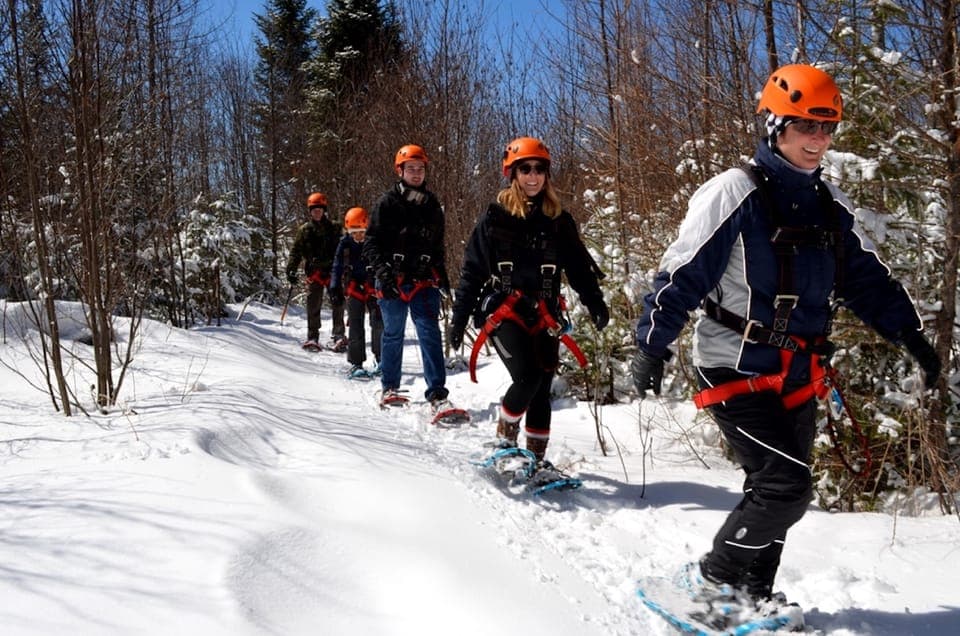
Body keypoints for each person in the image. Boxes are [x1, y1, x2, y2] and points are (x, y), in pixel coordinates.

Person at [630, 64, 942, 630]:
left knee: (773, 485)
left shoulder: (827, 204)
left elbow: (864, 278)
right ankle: (711, 584)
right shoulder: (736, 191)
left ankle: (750, 594)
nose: (818, 141)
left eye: (827, 129)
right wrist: (652, 345)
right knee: (786, 485)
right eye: (806, 126)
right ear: (776, 124)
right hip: (732, 365)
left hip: (798, 372)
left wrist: (909, 334)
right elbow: (683, 272)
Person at [448, 136, 609, 465]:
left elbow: (579, 268)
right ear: (513, 174)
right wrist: (459, 318)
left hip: (545, 313)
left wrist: (595, 302)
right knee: (527, 378)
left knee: (542, 389)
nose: (533, 176)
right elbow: (472, 274)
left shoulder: (559, 222)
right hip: (504, 311)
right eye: (525, 169)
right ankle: (504, 442)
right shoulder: (494, 220)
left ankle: (535, 460)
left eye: (539, 169)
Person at [363, 144, 452, 409]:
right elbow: (371, 243)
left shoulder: (432, 205)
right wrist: (383, 275)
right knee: (392, 333)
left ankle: (437, 393)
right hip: (392, 278)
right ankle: (390, 387)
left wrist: (443, 276)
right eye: (411, 168)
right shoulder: (387, 203)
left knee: (429, 332)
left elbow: (437, 246)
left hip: (423, 280)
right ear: (400, 170)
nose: (416, 173)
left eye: (420, 169)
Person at [286, 192, 346, 350]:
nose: (317, 212)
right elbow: (296, 252)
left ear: (324, 210)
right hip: (315, 273)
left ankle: (339, 335)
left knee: (338, 303)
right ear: (310, 211)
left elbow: (345, 248)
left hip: (333, 272)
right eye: (314, 209)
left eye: (319, 209)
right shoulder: (304, 230)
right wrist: (291, 269)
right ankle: (312, 336)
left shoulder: (335, 228)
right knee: (313, 305)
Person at [329, 207, 383, 377]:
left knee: (378, 323)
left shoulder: (374, 242)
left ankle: (382, 359)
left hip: (373, 287)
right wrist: (334, 288)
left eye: (361, 232)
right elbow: (337, 267)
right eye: (354, 232)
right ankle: (356, 362)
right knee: (355, 325)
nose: (358, 236)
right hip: (354, 288)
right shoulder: (344, 245)